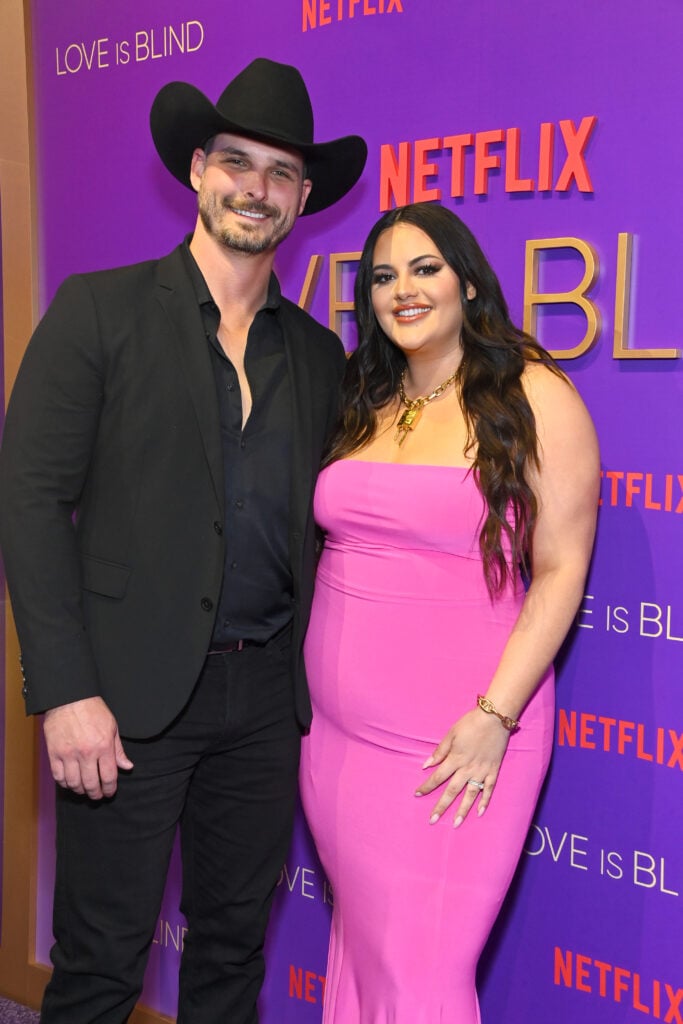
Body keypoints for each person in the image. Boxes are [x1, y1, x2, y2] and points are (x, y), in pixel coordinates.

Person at [0, 58, 366, 1024]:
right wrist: (66, 690)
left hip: (263, 702)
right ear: (198, 169)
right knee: (99, 968)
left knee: (230, 958)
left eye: (280, 173)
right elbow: (28, 502)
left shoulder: (321, 354)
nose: (256, 187)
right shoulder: (98, 310)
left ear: (302, 199)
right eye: (237, 163)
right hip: (120, 697)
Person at [299, 202, 599, 1023]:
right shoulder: (368, 395)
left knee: (420, 977)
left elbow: (560, 568)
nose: (404, 290)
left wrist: (494, 716)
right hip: (333, 739)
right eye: (384, 276)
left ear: (467, 280)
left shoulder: (533, 395)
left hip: (456, 744)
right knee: (366, 954)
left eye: (424, 268)